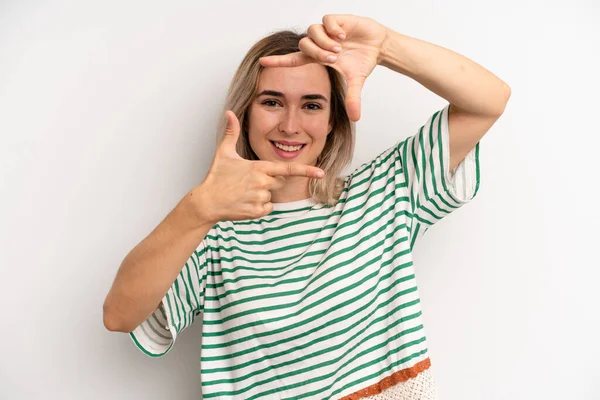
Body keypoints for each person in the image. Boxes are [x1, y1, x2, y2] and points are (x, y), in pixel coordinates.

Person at [103, 14, 510, 400]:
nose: (290, 126)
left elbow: (488, 101)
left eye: (312, 105)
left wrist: (386, 46)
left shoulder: (386, 190)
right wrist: (198, 208)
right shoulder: (212, 232)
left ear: (333, 119)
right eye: (272, 102)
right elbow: (119, 316)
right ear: (244, 114)